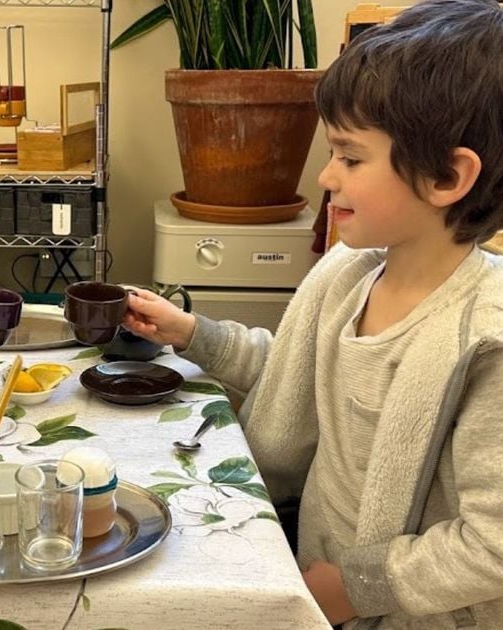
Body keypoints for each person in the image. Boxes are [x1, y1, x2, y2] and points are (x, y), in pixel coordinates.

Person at [122, 0, 503, 627]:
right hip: (319, 578)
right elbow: (300, 373)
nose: (326, 176)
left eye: (351, 158)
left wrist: (359, 588)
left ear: (446, 177)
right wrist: (194, 334)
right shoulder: (349, 278)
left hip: (408, 611)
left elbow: (491, 545)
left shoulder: (482, 342)